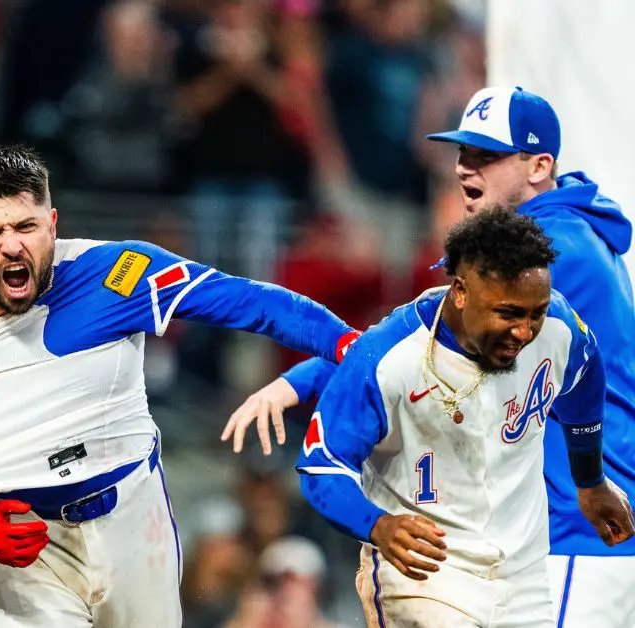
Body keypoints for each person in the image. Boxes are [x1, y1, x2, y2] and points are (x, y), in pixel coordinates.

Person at [0, 146, 362, 627]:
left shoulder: (117, 274)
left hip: (131, 520)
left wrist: (354, 352)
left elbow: (255, 303)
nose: (12, 245)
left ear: (52, 224)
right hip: (25, 546)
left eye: (26, 226)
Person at [228, 86, 635, 626]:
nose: (467, 169)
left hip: (575, 531)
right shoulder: (573, 231)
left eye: (488, 156)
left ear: (539, 166)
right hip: (583, 526)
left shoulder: (547, 252)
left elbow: (416, 335)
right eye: (463, 153)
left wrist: (300, 381)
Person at [296, 207, 633, 626]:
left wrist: (590, 481)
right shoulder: (388, 357)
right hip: (427, 576)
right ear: (460, 291)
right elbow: (322, 464)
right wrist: (376, 524)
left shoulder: (559, 326)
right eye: (508, 313)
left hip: (523, 577)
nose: (525, 331)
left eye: (536, 313)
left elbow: (584, 377)